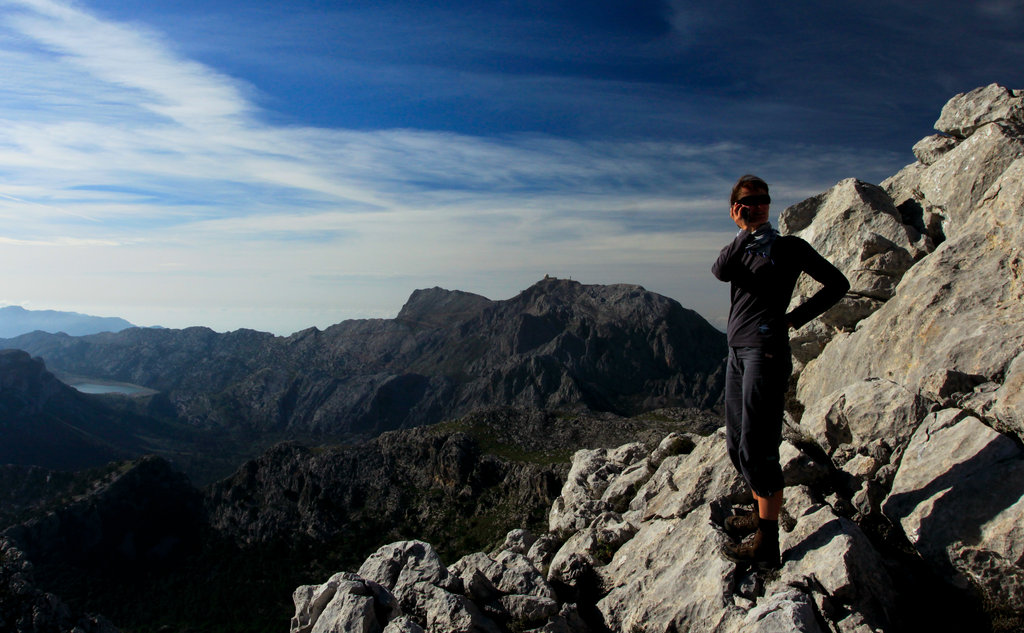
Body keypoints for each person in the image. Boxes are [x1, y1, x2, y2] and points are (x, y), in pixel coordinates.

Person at [711, 174, 849, 568]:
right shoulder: (739, 250)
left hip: (765, 354)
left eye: (762, 200)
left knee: (758, 447)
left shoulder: (788, 248)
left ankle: (766, 545)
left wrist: (794, 319)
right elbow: (720, 271)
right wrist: (742, 233)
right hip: (737, 352)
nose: (756, 206)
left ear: (770, 204)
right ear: (736, 209)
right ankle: (760, 513)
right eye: (747, 202)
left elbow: (838, 284)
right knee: (737, 445)